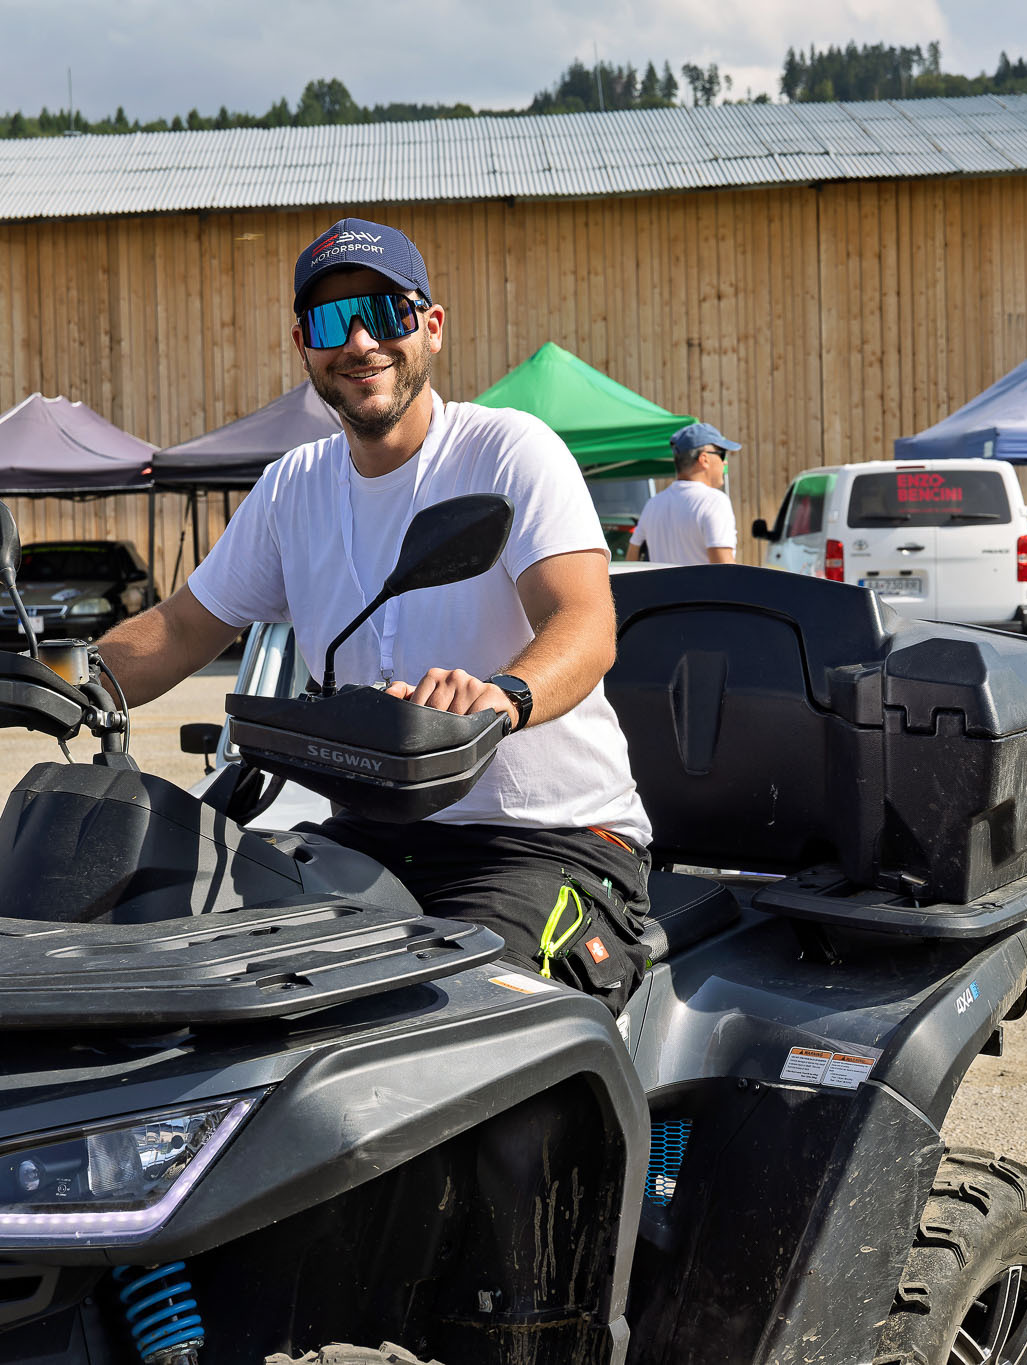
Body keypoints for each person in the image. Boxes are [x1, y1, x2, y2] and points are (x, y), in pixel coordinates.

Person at [97, 217, 652, 1006]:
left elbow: (585, 622)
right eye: (331, 322)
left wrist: (501, 697)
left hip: (549, 842)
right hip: (375, 838)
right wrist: (67, 684)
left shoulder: (506, 451)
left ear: (432, 326)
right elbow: (185, 627)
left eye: (386, 313)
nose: (359, 342)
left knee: (450, 1017)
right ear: (303, 346)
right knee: (198, 958)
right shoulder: (294, 487)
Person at [628, 423, 741, 565]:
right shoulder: (714, 501)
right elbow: (725, 570)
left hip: (662, 581)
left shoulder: (652, 504)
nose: (725, 462)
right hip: (702, 582)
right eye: (722, 454)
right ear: (704, 459)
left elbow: (631, 558)